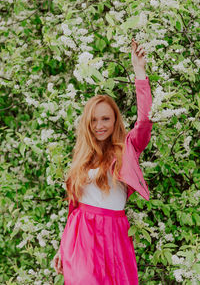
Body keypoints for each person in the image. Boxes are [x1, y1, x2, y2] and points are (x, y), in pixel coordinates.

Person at [53, 38, 153, 284]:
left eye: (106, 119)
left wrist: (139, 72)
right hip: (81, 236)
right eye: (94, 120)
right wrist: (62, 247)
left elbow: (145, 121)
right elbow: (74, 208)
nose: (99, 126)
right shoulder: (82, 156)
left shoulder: (127, 149)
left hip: (114, 233)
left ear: (115, 121)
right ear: (88, 123)